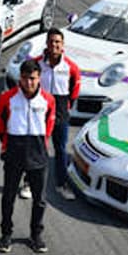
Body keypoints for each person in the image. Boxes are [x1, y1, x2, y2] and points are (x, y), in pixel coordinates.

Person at [0, 59, 56, 254]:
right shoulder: (7, 98)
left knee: (40, 199)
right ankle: (5, 235)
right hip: (14, 153)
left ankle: (35, 235)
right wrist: (7, 143)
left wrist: (41, 144)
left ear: (39, 78)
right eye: (25, 78)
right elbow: (0, 123)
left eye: (33, 79)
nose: (29, 83)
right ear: (20, 78)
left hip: (38, 155)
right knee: (8, 197)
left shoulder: (48, 100)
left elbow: (49, 126)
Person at [36, 28, 80, 201]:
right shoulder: (36, 63)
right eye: (51, 41)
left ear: (62, 46)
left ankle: (61, 184)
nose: (54, 45)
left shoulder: (71, 68)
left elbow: (74, 92)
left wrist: (65, 106)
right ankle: (28, 183)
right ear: (46, 44)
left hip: (61, 114)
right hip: (39, 113)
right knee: (36, 149)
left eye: (58, 42)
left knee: (60, 150)